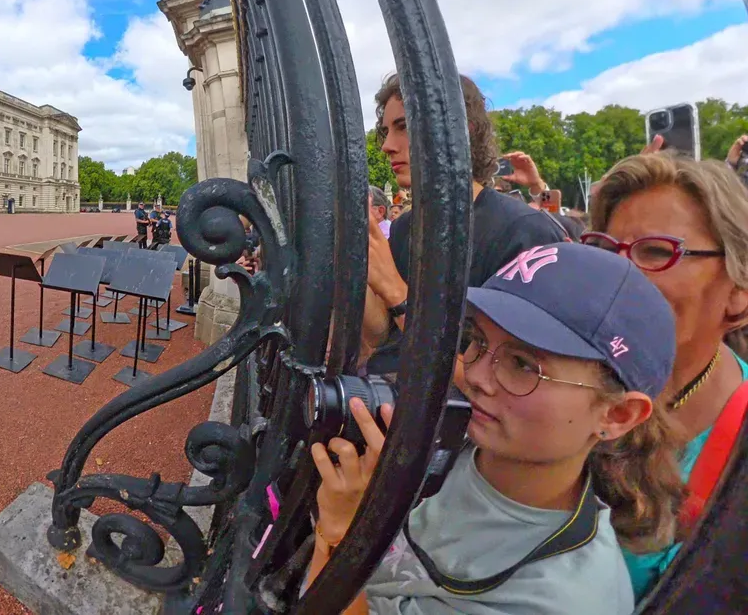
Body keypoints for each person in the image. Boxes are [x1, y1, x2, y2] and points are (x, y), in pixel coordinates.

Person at [308, 243, 681, 614]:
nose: (477, 377)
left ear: (617, 415)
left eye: (522, 365)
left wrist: (344, 537)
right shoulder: (458, 441)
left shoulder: (561, 598)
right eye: (479, 342)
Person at [588, 153, 748, 599]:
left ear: (738, 289)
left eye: (657, 251)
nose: (619, 273)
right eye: (606, 249)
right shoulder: (566, 381)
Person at [361, 73, 567, 375]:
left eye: (403, 127)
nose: (387, 146)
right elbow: (381, 336)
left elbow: (511, 383)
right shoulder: (405, 228)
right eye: (385, 131)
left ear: (459, 132)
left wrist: (395, 291)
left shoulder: (524, 232)